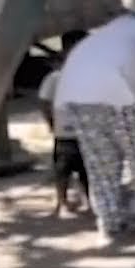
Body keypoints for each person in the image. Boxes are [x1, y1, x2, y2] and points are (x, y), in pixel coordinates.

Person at [54, 8, 135, 243]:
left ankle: (109, 224)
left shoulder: (104, 36)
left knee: (100, 166)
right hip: (122, 96)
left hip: (79, 96)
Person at [37, 29, 89, 217]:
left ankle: (88, 200)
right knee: (63, 169)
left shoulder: (89, 74)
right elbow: (44, 101)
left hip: (86, 130)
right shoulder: (56, 77)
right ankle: (62, 202)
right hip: (64, 130)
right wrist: (50, 121)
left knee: (87, 168)